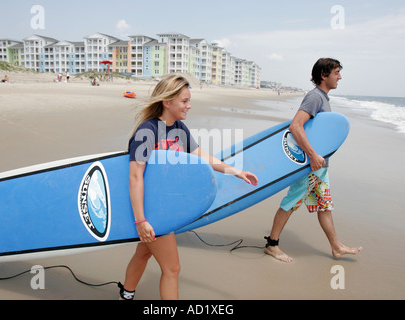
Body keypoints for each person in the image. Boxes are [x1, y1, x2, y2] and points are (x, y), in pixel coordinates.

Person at [119, 74, 258, 300]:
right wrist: (141, 220)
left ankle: (125, 296)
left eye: (188, 100)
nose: (189, 106)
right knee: (172, 269)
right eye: (184, 101)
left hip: (166, 209)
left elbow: (202, 157)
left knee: (144, 254)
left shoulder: (179, 130)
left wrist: (236, 171)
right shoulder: (147, 131)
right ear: (167, 102)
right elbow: (135, 177)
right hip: (154, 211)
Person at [264, 58, 362, 263]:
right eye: (336, 73)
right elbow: (296, 126)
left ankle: (336, 247)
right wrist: (312, 155)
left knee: (324, 206)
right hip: (310, 167)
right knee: (291, 203)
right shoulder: (315, 97)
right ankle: (272, 245)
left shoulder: (323, 98)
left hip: (319, 168)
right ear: (323, 75)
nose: (340, 77)